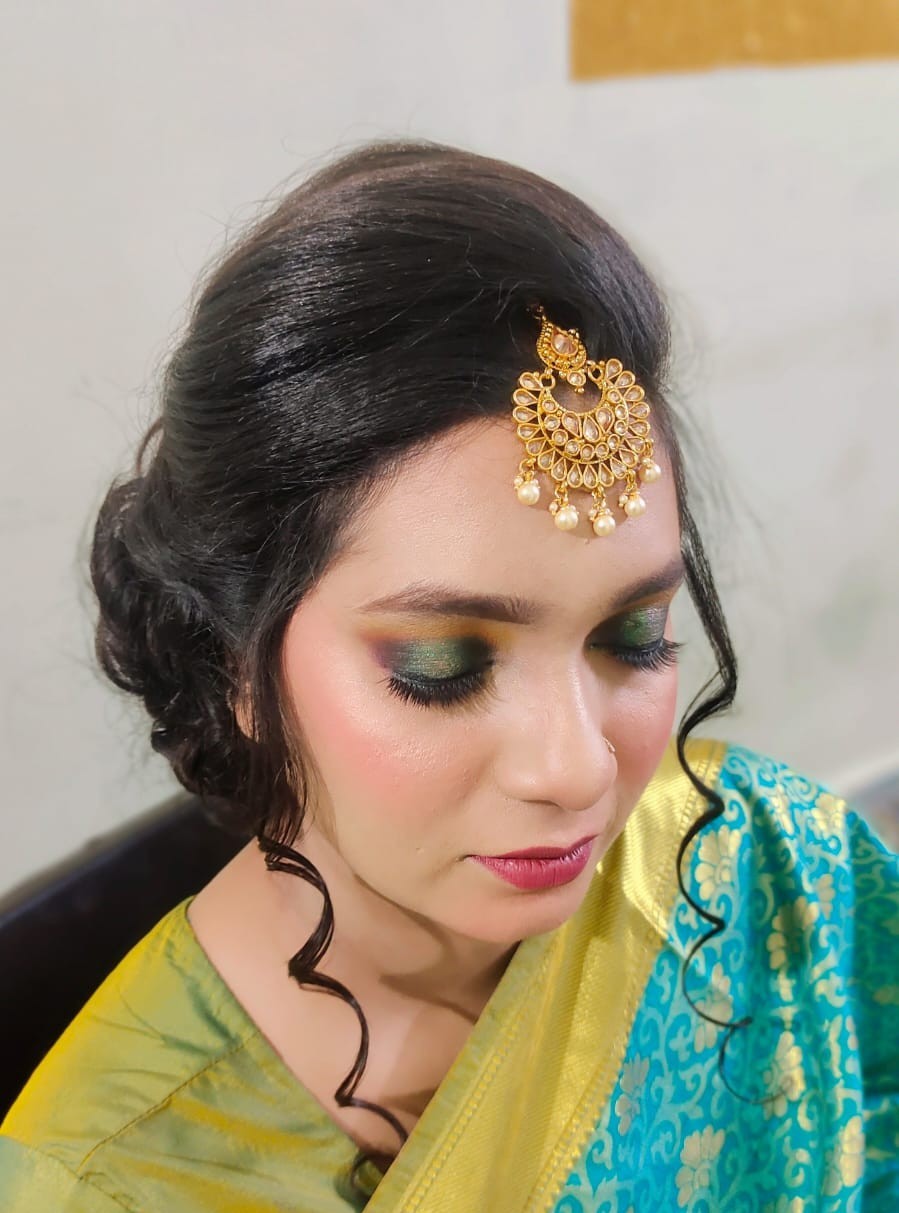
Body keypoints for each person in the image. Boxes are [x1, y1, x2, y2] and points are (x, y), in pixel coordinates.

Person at [1, 141, 896, 1212]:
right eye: (442, 668)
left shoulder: (770, 873)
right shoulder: (107, 1182)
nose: (576, 770)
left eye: (633, 636)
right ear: (231, 657)